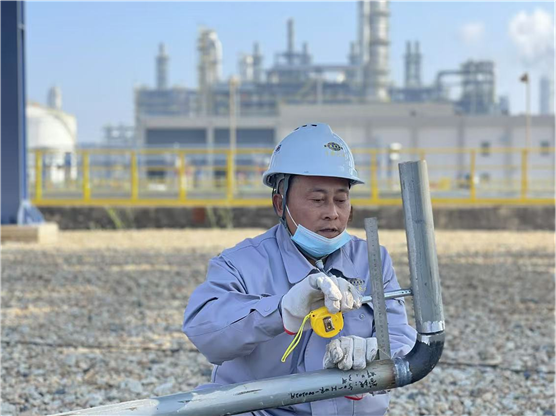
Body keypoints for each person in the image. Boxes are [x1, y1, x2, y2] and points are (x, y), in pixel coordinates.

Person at [182, 123, 416, 416]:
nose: (332, 213)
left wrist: (375, 350)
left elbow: (401, 337)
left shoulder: (371, 259)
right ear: (280, 204)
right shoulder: (240, 263)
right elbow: (206, 334)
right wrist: (282, 311)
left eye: (341, 200)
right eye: (317, 200)